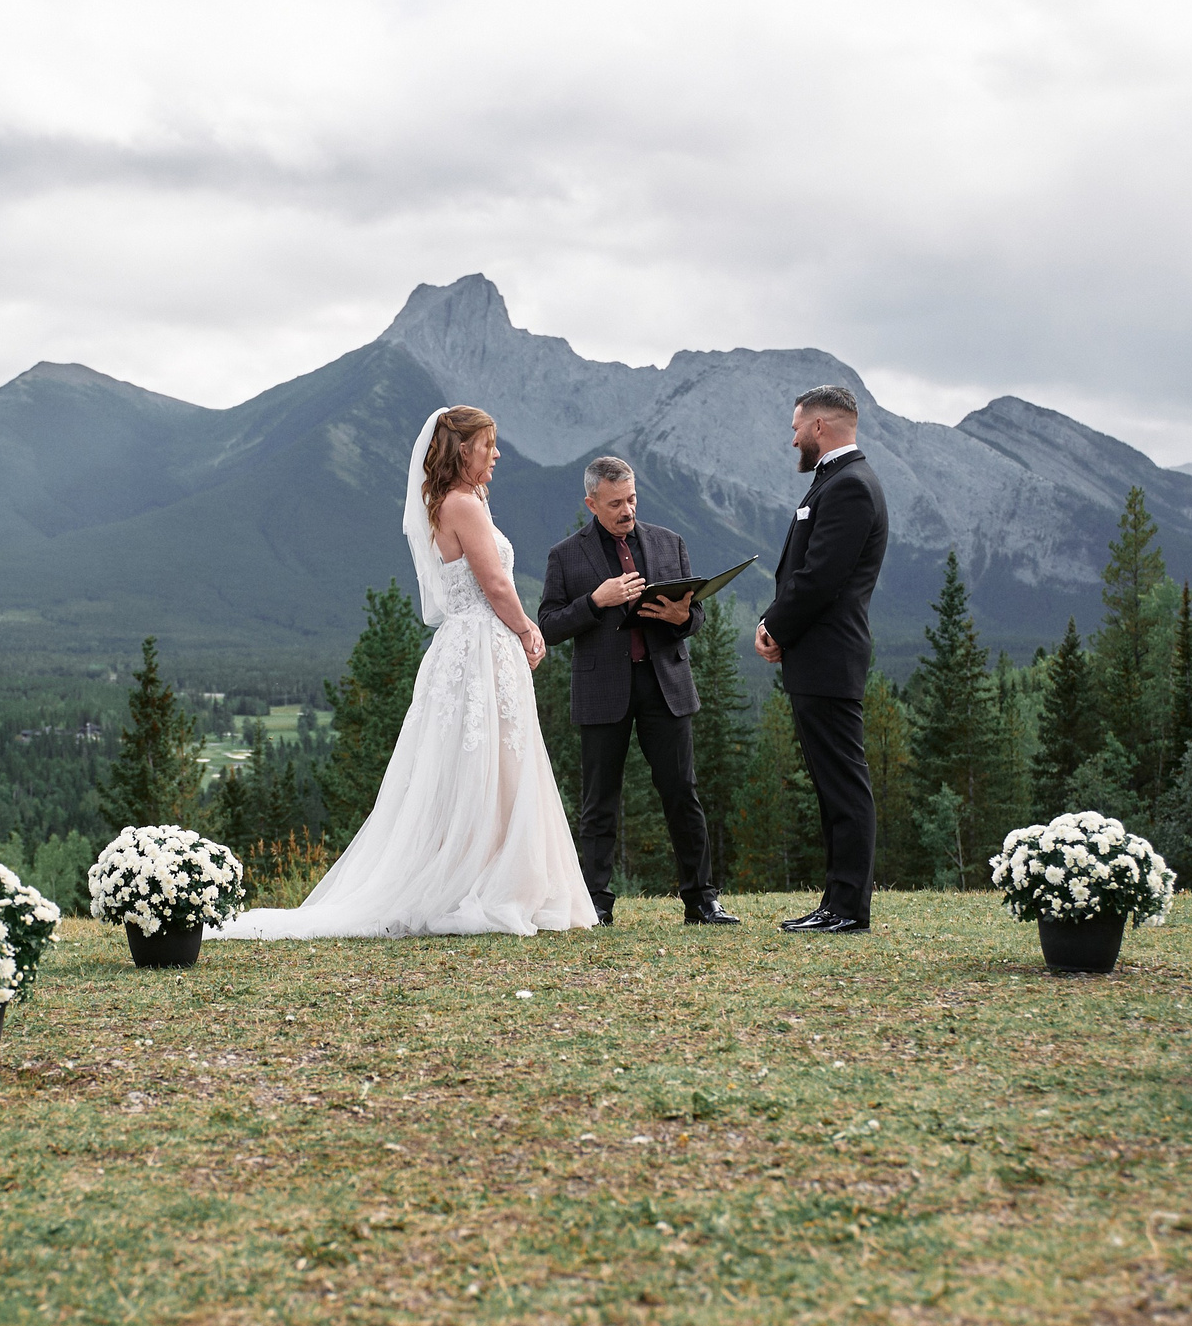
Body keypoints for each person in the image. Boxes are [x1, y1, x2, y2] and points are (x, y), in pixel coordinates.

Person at [213, 406, 594, 939]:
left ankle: (484, 872)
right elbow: (496, 585)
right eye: (489, 444)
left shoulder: (446, 502)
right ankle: (486, 881)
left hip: (466, 646)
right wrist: (530, 631)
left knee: (481, 761)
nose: (497, 454)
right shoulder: (463, 503)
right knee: (493, 760)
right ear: (464, 449)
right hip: (481, 646)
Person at [537, 456, 736, 927]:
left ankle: (702, 900)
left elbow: (696, 614)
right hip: (602, 689)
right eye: (614, 503)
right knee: (599, 801)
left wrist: (681, 618)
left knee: (682, 793)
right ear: (591, 503)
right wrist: (595, 601)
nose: (626, 509)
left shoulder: (670, 542)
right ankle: (595, 904)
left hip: (665, 684)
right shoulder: (565, 555)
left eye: (630, 498)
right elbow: (547, 625)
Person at [754, 385, 887, 934]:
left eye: (796, 428)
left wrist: (773, 626)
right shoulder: (836, 480)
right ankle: (836, 901)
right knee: (831, 783)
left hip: (828, 656)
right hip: (818, 657)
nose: (792, 439)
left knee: (843, 784)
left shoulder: (851, 486)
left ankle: (850, 907)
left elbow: (821, 578)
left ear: (819, 428)